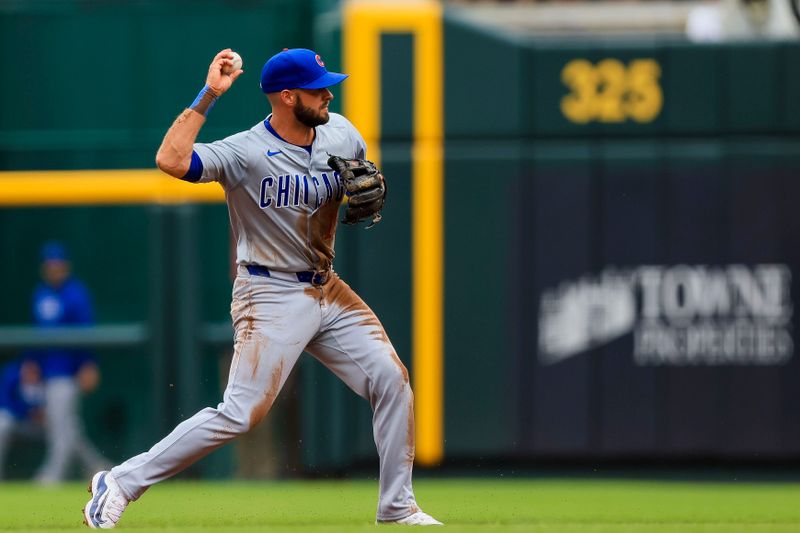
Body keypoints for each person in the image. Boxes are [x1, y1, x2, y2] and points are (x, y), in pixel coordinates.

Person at [82, 48, 442, 528]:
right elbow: (170, 159)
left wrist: (370, 187)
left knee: (392, 380)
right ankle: (121, 482)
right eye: (318, 88)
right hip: (268, 293)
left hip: (327, 287)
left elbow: (363, 181)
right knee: (241, 412)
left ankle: (397, 507)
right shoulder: (246, 152)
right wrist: (210, 93)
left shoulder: (341, 131)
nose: (329, 92)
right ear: (288, 96)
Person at [31, 241, 110, 484]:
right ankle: (100, 467)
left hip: (67, 371)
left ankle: (50, 477)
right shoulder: (41, 293)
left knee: (60, 429)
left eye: (58, 264)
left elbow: (85, 332)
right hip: (47, 370)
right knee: (69, 428)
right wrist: (32, 363)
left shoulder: (76, 293)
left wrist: (88, 364)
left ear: (65, 266)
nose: (54, 268)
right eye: (50, 264)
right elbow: (35, 333)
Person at [0, 358, 45, 479]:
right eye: (29, 369)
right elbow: (5, 403)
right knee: (2, 423)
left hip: (38, 427)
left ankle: (49, 475)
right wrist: (27, 412)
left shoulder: (45, 380)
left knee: (64, 430)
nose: (32, 373)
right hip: (16, 422)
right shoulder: (12, 377)